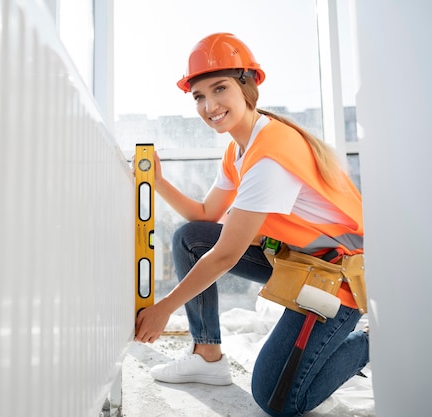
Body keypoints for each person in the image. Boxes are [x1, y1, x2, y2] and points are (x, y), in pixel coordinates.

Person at [133, 32, 369, 417]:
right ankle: (207, 356)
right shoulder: (238, 148)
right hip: (300, 264)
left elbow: (226, 254)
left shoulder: (271, 153)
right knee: (191, 239)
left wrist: (163, 309)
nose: (209, 105)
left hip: (337, 280)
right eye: (198, 96)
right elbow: (206, 216)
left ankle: (373, 341)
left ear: (248, 86)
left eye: (219, 88)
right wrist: (158, 182)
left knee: (278, 400)